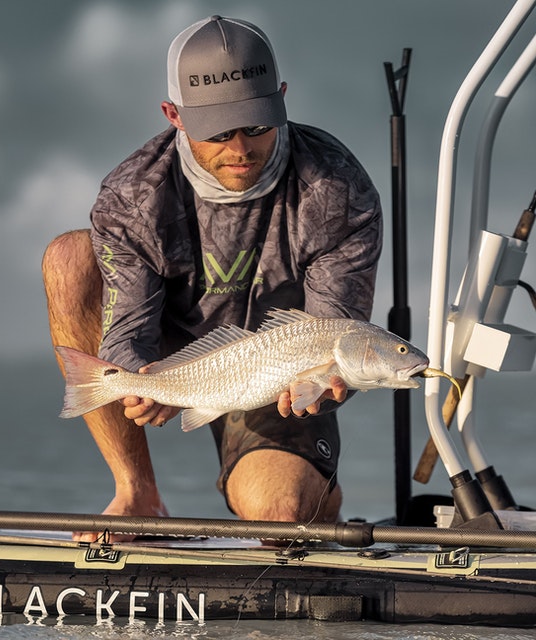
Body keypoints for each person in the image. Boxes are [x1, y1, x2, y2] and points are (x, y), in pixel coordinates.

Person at [42, 15, 382, 541]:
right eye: (218, 131)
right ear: (173, 115)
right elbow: (126, 330)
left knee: (282, 517)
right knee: (69, 258)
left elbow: (336, 334)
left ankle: (315, 490)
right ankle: (137, 493)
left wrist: (327, 386)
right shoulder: (132, 198)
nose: (241, 148)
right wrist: (137, 379)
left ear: (282, 99)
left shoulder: (336, 188)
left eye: (257, 125)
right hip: (174, 353)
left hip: (276, 371)